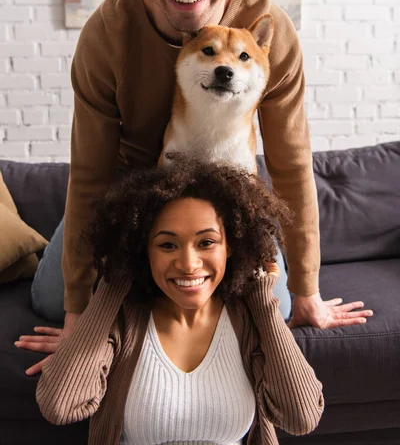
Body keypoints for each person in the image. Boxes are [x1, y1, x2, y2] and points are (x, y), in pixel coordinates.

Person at [22, 0, 372, 375]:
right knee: (52, 302)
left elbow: (293, 165)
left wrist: (307, 291)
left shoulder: (268, 31)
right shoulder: (107, 32)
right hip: (127, 194)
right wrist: (77, 315)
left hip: (227, 205)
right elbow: (91, 174)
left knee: (266, 308)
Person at [30, 159, 324, 444]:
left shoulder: (249, 316)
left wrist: (262, 297)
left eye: (206, 242)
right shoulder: (125, 317)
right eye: (167, 245)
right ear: (144, 251)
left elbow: (302, 417)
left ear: (230, 245)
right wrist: (112, 282)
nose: (188, 264)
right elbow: (61, 406)